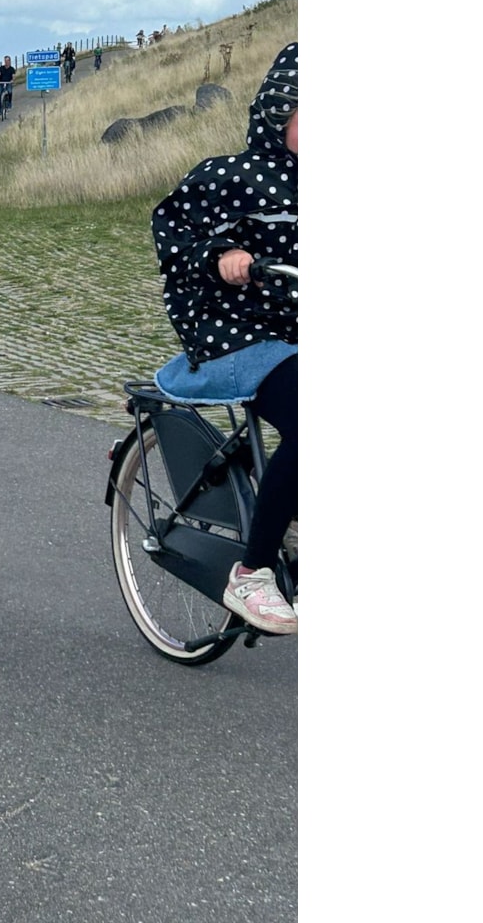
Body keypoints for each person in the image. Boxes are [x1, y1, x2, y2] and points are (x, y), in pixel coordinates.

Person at [150, 41, 298, 634]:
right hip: (237, 333)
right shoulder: (230, 175)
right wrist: (221, 254)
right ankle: (252, 573)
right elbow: (174, 229)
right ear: (279, 112)